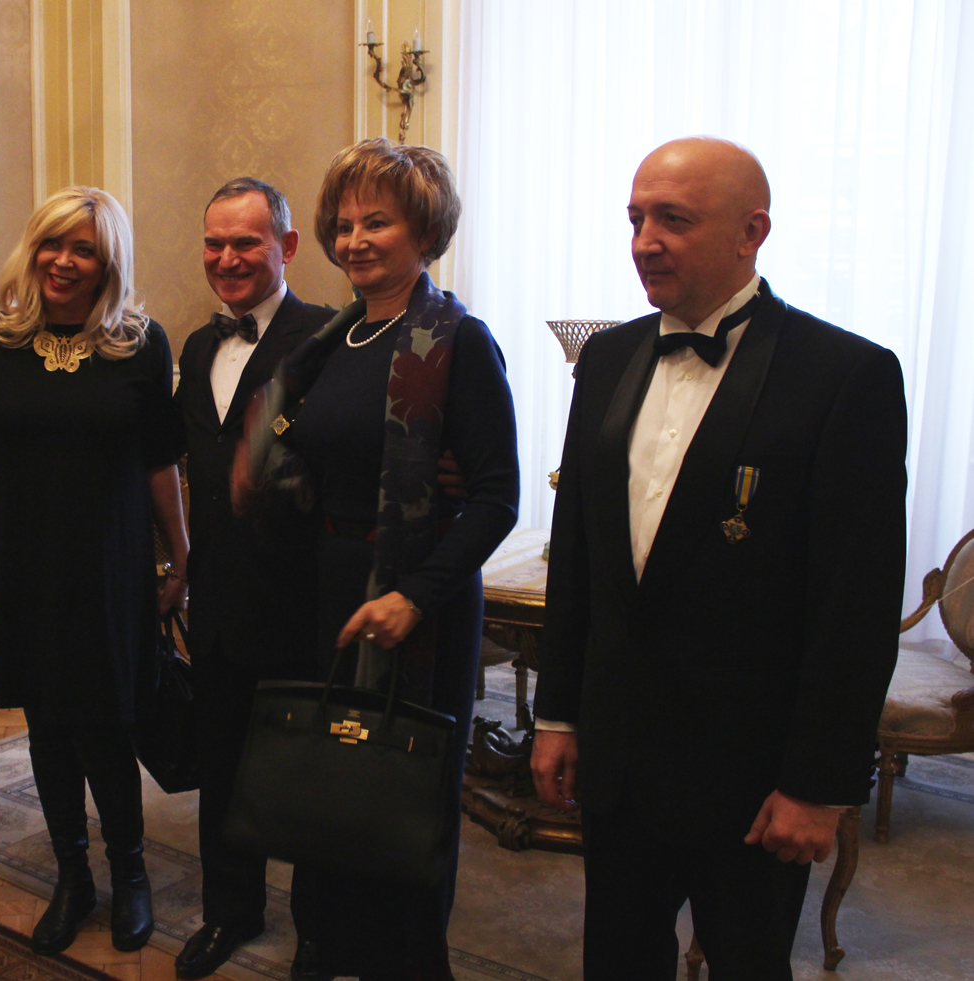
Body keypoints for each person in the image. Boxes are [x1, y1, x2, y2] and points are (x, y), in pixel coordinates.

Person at [531, 137, 907, 980]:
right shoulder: (607, 358)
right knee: (616, 961)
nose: (645, 241)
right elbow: (580, 557)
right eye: (636, 219)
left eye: (674, 219)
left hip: (752, 776)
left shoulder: (844, 374)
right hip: (619, 765)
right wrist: (558, 717)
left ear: (751, 232)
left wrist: (818, 783)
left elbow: (854, 602)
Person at [237, 138, 519, 980]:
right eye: (345, 224)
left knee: (399, 800)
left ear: (425, 231)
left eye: (378, 223)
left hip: (413, 601)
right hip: (325, 586)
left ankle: (405, 963)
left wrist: (415, 595)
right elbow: (292, 456)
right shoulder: (332, 342)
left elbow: (497, 498)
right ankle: (325, 946)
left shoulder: (458, 342)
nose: (355, 240)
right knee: (325, 785)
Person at [0, 186, 188, 958]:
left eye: (82, 248)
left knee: (107, 724)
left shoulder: (140, 343)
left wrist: (181, 554)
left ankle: (131, 873)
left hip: (112, 566)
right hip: (25, 565)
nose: (63, 260)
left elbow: (160, 463)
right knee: (48, 727)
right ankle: (72, 876)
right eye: (52, 243)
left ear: (107, 260)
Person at [170, 178, 334, 977]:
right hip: (216, 600)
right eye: (214, 243)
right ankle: (228, 911)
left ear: (288, 246)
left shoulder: (327, 338)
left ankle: (319, 932)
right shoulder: (197, 346)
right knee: (222, 768)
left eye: (246, 242)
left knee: (304, 777)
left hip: (299, 601)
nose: (227, 258)